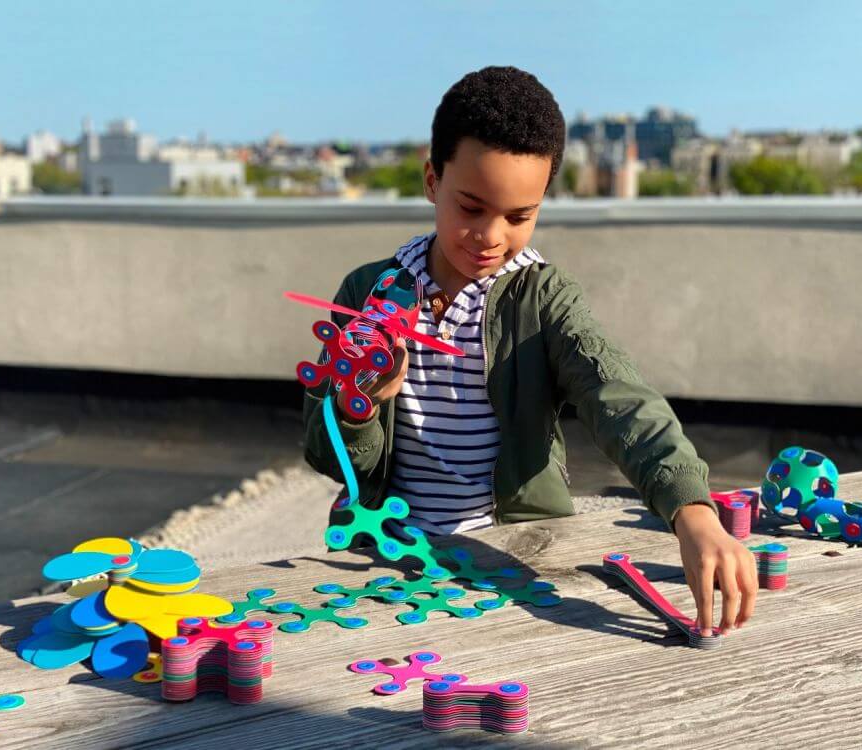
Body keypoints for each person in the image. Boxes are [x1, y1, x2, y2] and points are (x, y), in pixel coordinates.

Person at [302, 65, 757, 636]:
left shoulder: (544, 298)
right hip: (384, 560)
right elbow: (327, 458)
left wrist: (692, 511)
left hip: (512, 556)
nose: (492, 236)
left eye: (520, 216)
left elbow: (619, 398)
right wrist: (359, 404)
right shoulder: (366, 293)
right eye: (471, 208)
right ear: (432, 181)